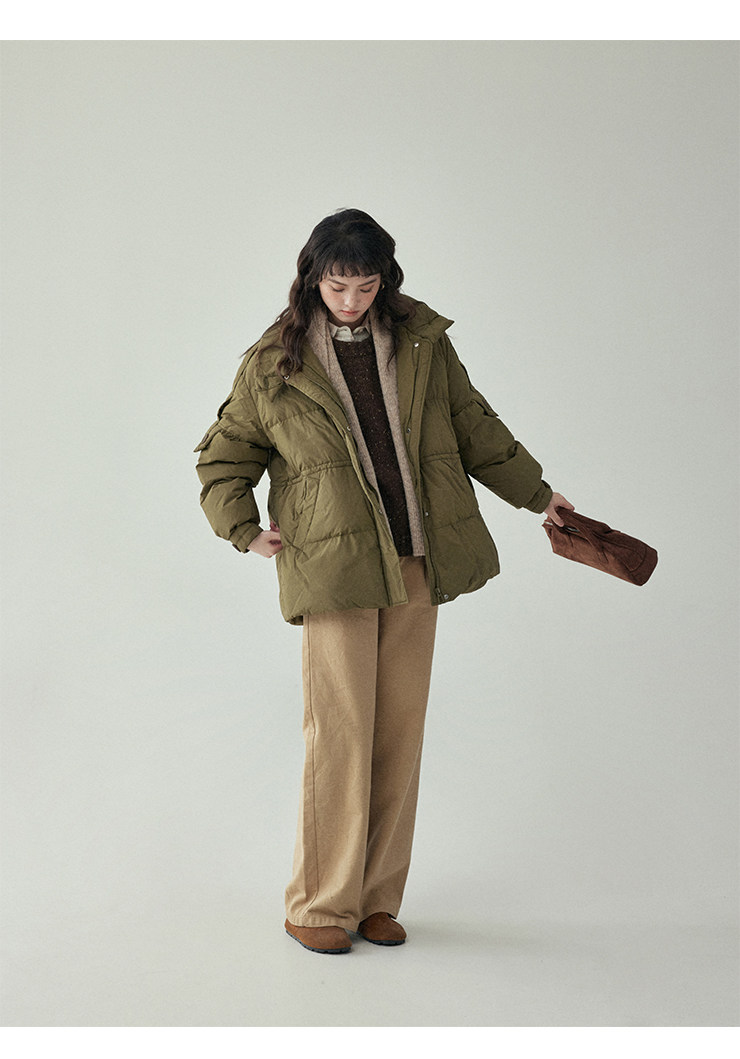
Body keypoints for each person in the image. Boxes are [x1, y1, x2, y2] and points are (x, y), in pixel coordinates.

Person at [195, 208, 573, 955]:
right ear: (313, 279)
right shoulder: (273, 363)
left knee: (399, 729)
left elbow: (475, 426)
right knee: (341, 732)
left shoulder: (422, 342)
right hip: (333, 565)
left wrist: (539, 495)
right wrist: (244, 529)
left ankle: (375, 898)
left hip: (417, 558)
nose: (351, 301)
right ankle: (319, 902)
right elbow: (223, 456)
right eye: (338, 287)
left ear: (384, 280)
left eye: (365, 287)